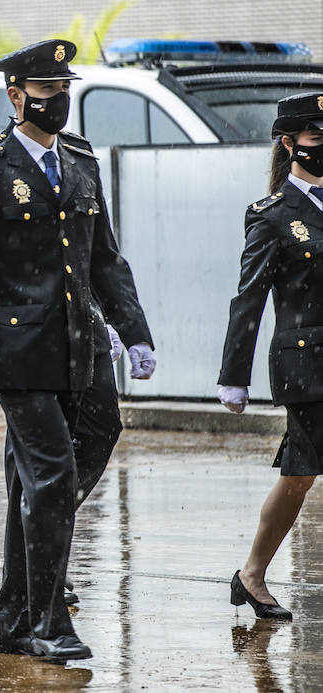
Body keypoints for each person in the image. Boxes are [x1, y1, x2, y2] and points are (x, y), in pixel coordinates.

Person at [0, 40, 155, 661]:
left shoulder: (80, 161)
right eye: (45, 91)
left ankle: (13, 613)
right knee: (52, 475)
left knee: (92, 439)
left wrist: (133, 331)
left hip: (79, 345)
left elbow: (105, 259)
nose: (58, 101)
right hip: (18, 349)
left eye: (64, 90)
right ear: (15, 96)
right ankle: (47, 619)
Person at [218, 92, 323, 621]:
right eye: (316, 139)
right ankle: (253, 574)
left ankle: (251, 574)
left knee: (298, 477)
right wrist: (234, 376)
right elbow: (249, 297)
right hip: (307, 367)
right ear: (290, 143)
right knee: (300, 476)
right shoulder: (273, 215)